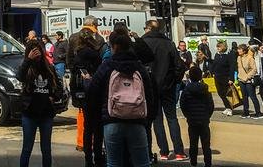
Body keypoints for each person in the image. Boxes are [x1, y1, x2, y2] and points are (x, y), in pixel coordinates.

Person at [90, 29, 158, 167]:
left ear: (113, 46)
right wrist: (147, 119)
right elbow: (150, 95)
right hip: (137, 121)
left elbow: (93, 93)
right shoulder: (140, 67)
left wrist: (98, 119)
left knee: (114, 163)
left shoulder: (106, 66)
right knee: (142, 163)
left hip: (112, 120)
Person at [135, 20, 186, 160]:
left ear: (149, 28)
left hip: (150, 86)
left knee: (157, 120)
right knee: (172, 118)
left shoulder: (143, 43)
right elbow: (179, 66)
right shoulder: (168, 43)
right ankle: (179, 151)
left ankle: (163, 151)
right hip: (167, 86)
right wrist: (174, 80)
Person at [17, 39, 64, 167]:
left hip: (46, 113)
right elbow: (19, 76)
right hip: (29, 113)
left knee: (46, 150)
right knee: (27, 148)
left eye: (38, 50)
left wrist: (54, 97)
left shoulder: (48, 68)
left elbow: (59, 87)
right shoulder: (27, 66)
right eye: (33, 50)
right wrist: (28, 59)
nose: (37, 54)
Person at [73, 23, 105, 167]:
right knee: (98, 128)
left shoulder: (78, 53)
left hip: (83, 94)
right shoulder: (93, 53)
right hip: (95, 93)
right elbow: (100, 72)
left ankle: (88, 158)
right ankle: (98, 156)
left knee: (87, 127)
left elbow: (74, 75)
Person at [179, 66, 214, 167]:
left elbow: (183, 104)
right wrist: (207, 116)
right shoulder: (205, 89)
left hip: (192, 120)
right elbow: (210, 105)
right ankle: (208, 163)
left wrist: (188, 115)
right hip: (204, 120)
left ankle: (193, 162)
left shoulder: (186, 90)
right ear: (200, 76)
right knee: (206, 144)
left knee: (193, 143)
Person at [236, 44, 262, 119]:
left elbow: (254, 69)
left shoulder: (250, 58)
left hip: (248, 80)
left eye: (240, 49)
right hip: (241, 79)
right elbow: (239, 68)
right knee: (244, 97)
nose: (238, 50)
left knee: (252, 96)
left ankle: (258, 113)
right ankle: (246, 112)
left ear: (244, 51)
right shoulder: (238, 58)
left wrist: (247, 77)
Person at [210, 40, 234, 116]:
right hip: (217, 77)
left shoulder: (228, 56)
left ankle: (230, 108)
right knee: (220, 94)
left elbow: (232, 67)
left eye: (219, 46)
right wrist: (212, 72)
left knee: (227, 94)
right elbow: (214, 64)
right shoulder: (217, 55)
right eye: (217, 46)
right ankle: (227, 107)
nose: (218, 48)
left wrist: (231, 78)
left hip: (225, 77)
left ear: (223, 47)